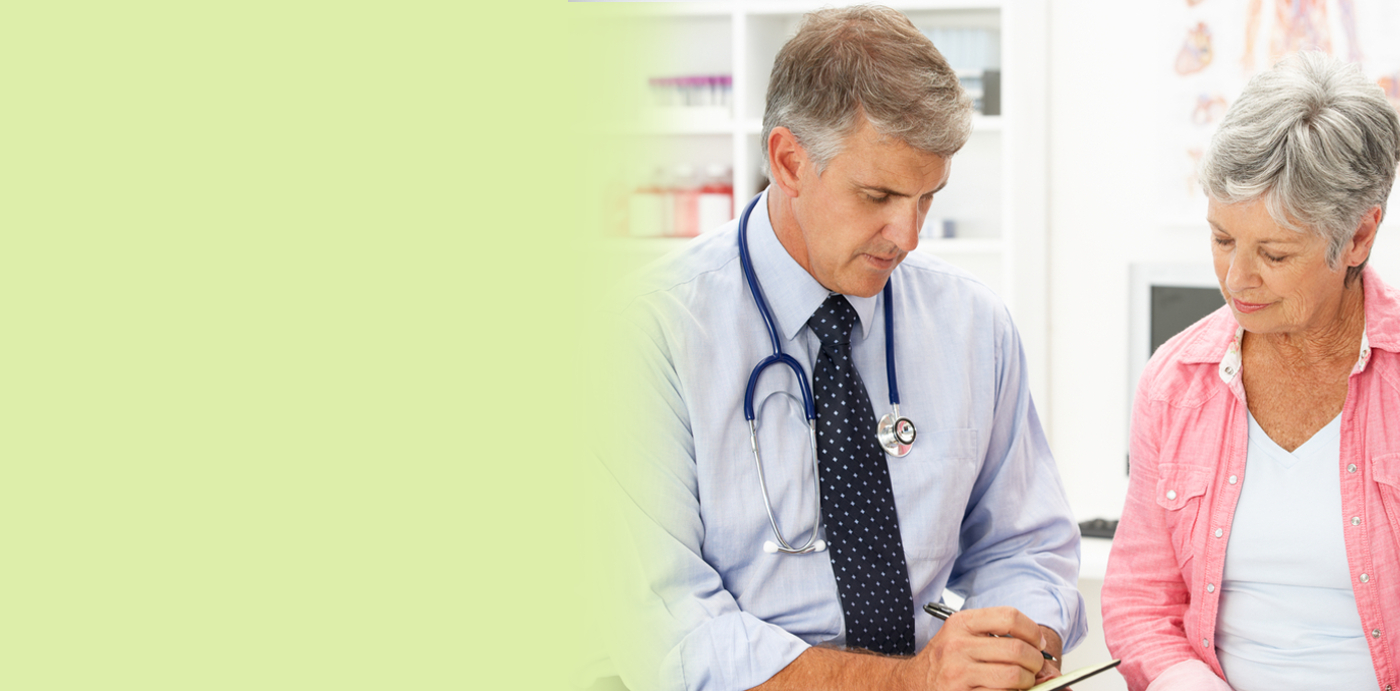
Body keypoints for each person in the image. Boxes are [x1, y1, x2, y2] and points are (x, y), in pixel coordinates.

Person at [598, 6, 1085, 691]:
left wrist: (1009, 640)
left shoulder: (973, 324)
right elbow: (673, 632)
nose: (908, 235)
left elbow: (1027, 545)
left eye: (926, 198)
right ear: (789, 161)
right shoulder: (649, 334)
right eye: (879, 195)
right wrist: (911, 680)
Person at [1102, 51, 1400, 691]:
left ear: (1357, 237)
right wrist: (1187, 682)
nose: (1237, 280)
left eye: (1274, 252)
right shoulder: (1175, 382)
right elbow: (1140, 602)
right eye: (1221, 239)